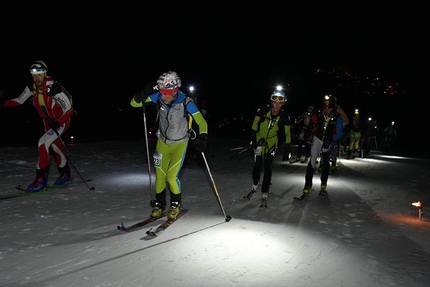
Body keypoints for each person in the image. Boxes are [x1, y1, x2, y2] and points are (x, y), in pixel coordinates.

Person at [130, 71, 208, 220]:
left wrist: (203, 138)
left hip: (179, 145)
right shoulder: (159, 97)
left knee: (171, 177)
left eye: (165, 93)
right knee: (159, 177)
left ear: (174, 91)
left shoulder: (186, 102)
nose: (162, 96)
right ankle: (159, 205)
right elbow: (134, 103)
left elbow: (202, 122)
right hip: (162, 143)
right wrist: (144, 93)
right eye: (161, 93)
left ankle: (175, 204)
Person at [2, 60, 75, 192]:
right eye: (34, 75)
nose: (37, 78)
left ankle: (41, 179)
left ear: (45, 74)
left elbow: (69, 110)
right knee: (54, 145)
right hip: (47, 122)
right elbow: (18, 101)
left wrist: (58, 122)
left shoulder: (53, 88)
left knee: (42, 143)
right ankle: (65, 174)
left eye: (40, 75)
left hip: (61, 121)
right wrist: (3, 103)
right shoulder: (32, 87)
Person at [244, 88, 292, 209]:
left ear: (283, 103)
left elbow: (287, 134)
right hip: (260, 141)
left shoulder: (284, 116)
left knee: (268, 167)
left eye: (280, 103)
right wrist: (254, 140)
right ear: (271, 102)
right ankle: (254, 187)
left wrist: (287, 148)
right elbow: (254, 125)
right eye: (275, 102)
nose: (277, 106)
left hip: (272, 142)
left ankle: (264, 193)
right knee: (257, 165)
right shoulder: (263, 110)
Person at [299, 94, 343, 198]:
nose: (326, 110)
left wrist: (331, 139)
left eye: (329, 108)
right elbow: (311, 125)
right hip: (318, 138)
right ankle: (307, 185)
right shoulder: (318, 114)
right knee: (313, 159)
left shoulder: (337, 117)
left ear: (333, 108)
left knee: (325, 160)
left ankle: (323, 184)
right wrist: (307, 136)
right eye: (325, 107)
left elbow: (340, 133)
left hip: (329, 140)